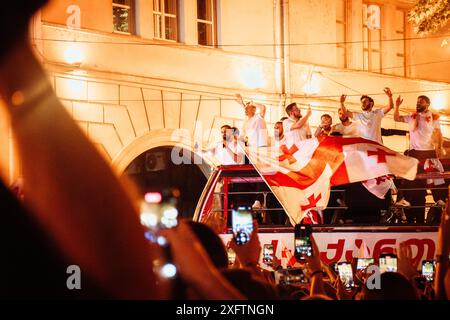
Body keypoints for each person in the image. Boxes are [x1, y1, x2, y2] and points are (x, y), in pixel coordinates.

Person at [394, 95, 446, 224]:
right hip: (414, 152)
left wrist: (439, 148)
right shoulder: (412, 116)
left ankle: (439, 199)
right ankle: (405, 199)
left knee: (436, 175)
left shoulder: (434, 117)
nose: (418, 103)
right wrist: (397, 106)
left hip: (429, 150)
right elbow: (396, 118)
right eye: (417, 101)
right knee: (410, 175)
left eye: (421, 102)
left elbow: (439, 134)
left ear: (427, 104)